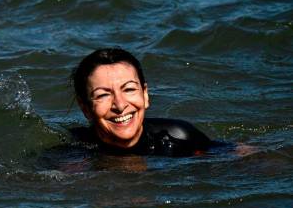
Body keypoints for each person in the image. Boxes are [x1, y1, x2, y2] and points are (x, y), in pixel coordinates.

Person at [69, 48, 221, 157]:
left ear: (145, 94)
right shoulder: (74, 155)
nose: (120, 105)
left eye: (129, 89)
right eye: (103, 95)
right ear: (85, 108)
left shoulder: (180, 138)